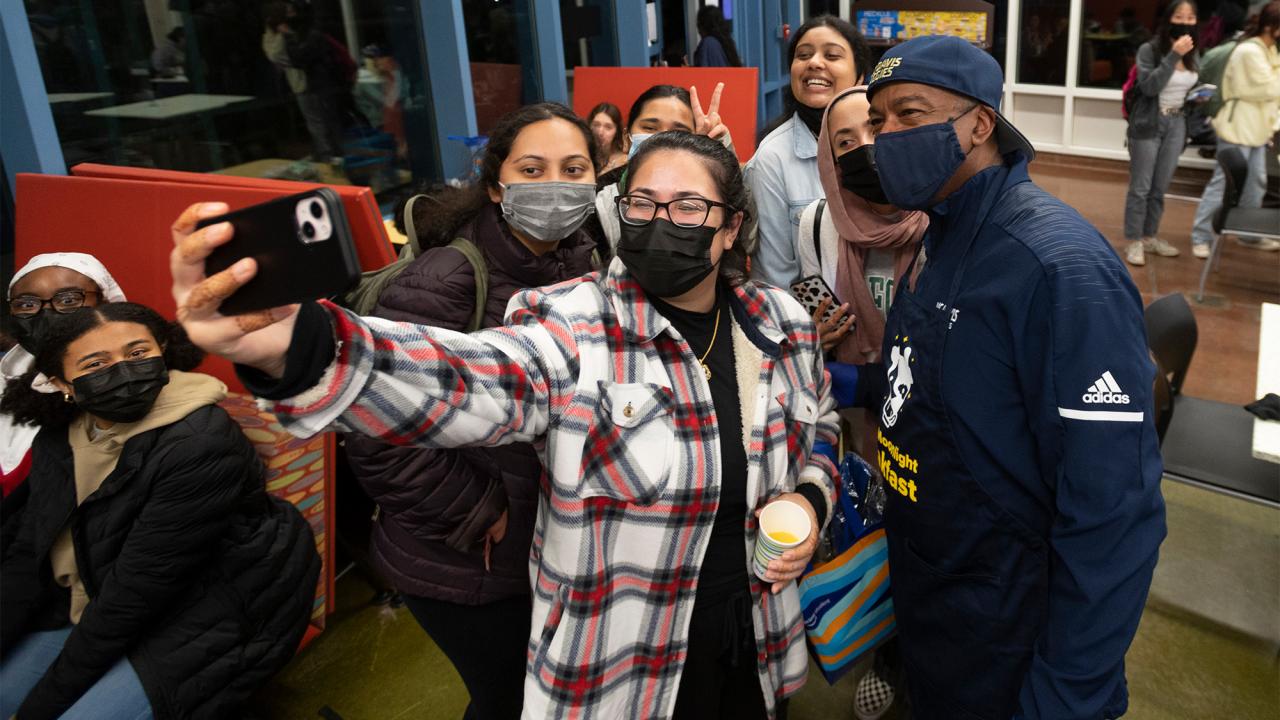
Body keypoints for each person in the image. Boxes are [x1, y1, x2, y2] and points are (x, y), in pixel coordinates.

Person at [170, 131, 839, 720]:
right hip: (630, 662)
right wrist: (302, 346)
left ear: (730, 228)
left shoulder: (781, 323)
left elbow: (823, 427)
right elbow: (467, 378)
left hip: (756, 634)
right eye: (642, 203)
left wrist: (810, 499)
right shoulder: (572, 325)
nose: (662, 221)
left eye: (689, 207)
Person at [860, 36, 1165, 719]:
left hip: (1011, 633)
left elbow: (1114, 514)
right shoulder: (937, 236)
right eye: (878, 120)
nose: (887, 137)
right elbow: (931, 385)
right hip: (936, 605)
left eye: (910, 113)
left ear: (979, 124)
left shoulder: (1057, 269)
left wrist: (1065, 695)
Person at [343, 102, 600, 720]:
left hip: (544, 547)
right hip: (467, 563)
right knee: (508, 701)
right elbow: (377, 429)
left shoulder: (584, 259)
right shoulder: (446, 280)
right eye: (532, 170)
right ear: (495, 186)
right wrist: (478, 511)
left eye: (573, 169)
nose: (555, 186)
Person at [0, 302, 320, 720]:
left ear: (162, 351)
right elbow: (29, 549)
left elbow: (136, 593)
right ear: (61, 383)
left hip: (213, 610)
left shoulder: (199, 442)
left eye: (137, 353)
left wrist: (38, 709)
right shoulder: (61, 436)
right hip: (93, 596)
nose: (123, 370)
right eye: (96, 364)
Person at [795, 86, 928, 720]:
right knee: (870, 531)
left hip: (924, 417)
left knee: (926, 539)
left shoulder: (941, 219)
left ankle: (912, 654)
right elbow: (808, 306)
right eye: (844, 141)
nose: (864, 150)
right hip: (853, 416)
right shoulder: (816, 223)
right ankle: (883, 647)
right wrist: (812, 338)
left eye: (874, 130)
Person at [746, 15, 870, 288]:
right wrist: (824, 313)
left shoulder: (887, 140)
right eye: (803, 55)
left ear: (860, 75)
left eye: (832, 55)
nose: (814, 62)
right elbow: (776, 278)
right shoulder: (772, 158)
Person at [2, 254, 126, 511]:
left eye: (68, 300)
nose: (46, 313)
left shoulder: (131, 386)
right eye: (27, 304)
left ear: (104, 303)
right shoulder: (7, 383)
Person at [592, 84, 737, 247]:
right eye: (650, 128)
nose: (662, 140)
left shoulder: (710, 199)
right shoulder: (597, 204)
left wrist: (718, 152)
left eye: (679, 132)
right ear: (626, 139)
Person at [1189, 0, 1280, 256]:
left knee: (1256, 182)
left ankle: (1249, 234)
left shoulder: (1269, 49)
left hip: (1258, 129)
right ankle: (1201, 236)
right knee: (1223, 183)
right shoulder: (1249, 51)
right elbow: (1269, 88)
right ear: (1271, 26)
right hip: (1238, 126)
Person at [1125, 1, 1200, 266]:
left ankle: (1149, 237)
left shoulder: (1193, 51)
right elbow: (1149, 87)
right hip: (1149, 122)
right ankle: (1133, 240)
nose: (1186, 22)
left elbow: (1189, 84)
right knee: (1141, 187)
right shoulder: (1150, 49)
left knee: (1160, 187)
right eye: (1180, 16)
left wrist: (1198, 96)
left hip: (1177, 123)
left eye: (1190, 17)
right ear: (1168, 19)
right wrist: (1173, 55)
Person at [262, 1, 345, 163]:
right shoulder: (273, 36)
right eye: (288, 12)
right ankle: (327, 156)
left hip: (314, 81)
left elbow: (299, 57)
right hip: (300, 82)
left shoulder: (305, 30)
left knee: (324, 122)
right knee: (316, 122)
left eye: (293, 11)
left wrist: (289, 36)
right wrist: (284, 35)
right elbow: (276, 55)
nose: (293, 15)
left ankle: (331, 156)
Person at [587, 101, 629, 173]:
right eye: (596, 125)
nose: (600, 132)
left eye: (608, 127)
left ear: (617, 132)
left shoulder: (624, 162)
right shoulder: (584, 154)